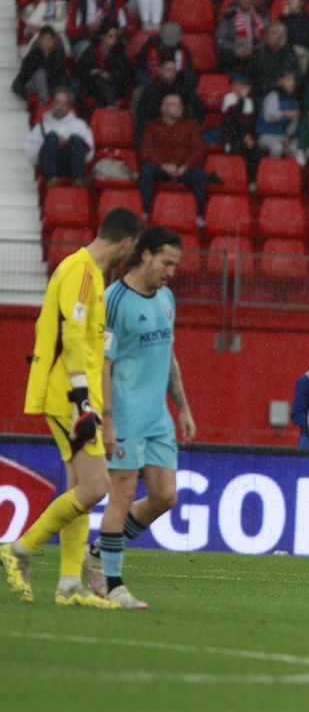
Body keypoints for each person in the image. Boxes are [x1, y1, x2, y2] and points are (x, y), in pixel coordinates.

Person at [1, 208, 142, 608]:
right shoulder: (80, 271)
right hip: (68, 396)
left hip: (74, 395)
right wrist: (82, 400)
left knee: (80, 489)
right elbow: (73, 335)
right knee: (96, 487)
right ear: (127, 242)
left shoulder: (89, 273)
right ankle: (19, 549)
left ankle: (68, 585)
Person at [90, 228, 193, 610]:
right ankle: (111, 582)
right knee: (122, 495)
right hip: (125, 415)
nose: (171, 272)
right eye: (166, 263)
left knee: (165, 496)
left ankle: (98, 552)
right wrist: (108, 420)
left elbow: (168, 353)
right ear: (145, 254)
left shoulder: (166, 298)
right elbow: (103, 365)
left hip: (158, 417)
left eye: (175, 265)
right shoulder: (114, 301)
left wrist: (183, 406)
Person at [138, 93, 208, 217]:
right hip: (161, 169)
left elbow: (198, 150)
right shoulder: (152, 126)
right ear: (163, 108)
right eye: (174, 104)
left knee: (199, 174)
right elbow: (146, 150)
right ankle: (147, 212)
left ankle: (199, 215)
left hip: (184, 169)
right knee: (147, 171)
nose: (179, 107)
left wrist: (185, 166)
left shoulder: (191, 125)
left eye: (180, 104)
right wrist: (163, 165)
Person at [26, 89, 95, 185]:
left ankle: (77, 180)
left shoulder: (80, 125)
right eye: (58, 103)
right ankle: (52, 179)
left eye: (65, 103)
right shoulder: (41, 126)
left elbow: (90, 152)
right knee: (51, 137)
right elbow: (31, 154)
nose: (61, 107)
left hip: (72, 165)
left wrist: (68, 144)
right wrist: (53, 145)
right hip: (48, 166)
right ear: (52, 104)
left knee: (75, 139)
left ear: (69, 106)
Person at [13, 27, 71, 101]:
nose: (47, 42)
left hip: (51, 85)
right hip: (34, 84)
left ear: (54, 41)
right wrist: (24, 93)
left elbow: (60, 76)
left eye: (50, 39)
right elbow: (22, 76)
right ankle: (44, 101)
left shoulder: (57, 54)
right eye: (44, 38)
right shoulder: (33, 54)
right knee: (40, 73)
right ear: (39, 40)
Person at [258, 71, 302, 159]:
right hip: (267, 135)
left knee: (299, 146)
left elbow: (293, 124)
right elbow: (269, 117)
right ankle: (273, 168)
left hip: (284, 137)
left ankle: (291, 168)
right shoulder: (273, 96)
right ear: (280, 82)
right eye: (289, 79)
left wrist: (288, 137)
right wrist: (285, 114)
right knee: (277, 147)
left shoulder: (294, 101)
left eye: (293, 80)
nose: (292, 82)